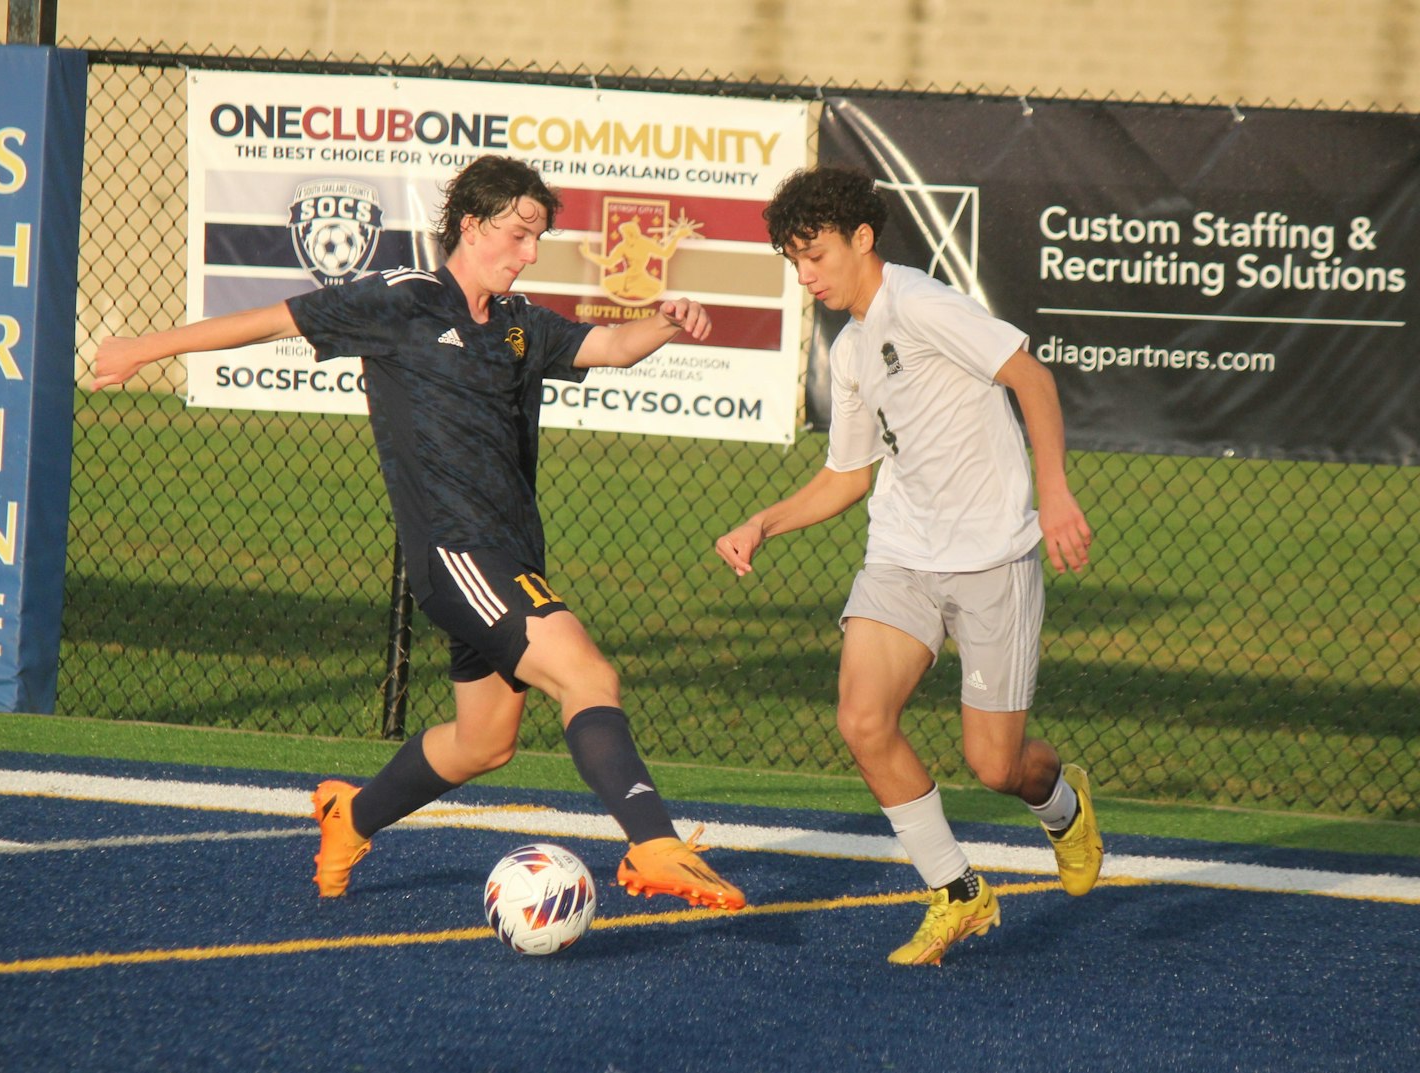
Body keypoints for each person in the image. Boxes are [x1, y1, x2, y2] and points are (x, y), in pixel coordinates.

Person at [93, 154, 745, 912]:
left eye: (539, 238)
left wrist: (666, 321)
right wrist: (143, 348)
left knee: (485, 742)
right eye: (519, 233)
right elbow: (274, 319)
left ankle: (351, 815)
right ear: (471, 226)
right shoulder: (404, 301)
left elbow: (609, 345)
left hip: (509, 554)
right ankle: (653, 843)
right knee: (588, 676)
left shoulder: (516, 324)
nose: (530, 252)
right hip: (457, 553)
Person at [714, 166, 1101, 964]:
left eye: (815, 254)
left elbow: (1031, 375)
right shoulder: (852, 348)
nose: (807, 275)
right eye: (794, 261)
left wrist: (1056, 493)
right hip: (902, 552)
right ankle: (957, 891)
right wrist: (765, 521)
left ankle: (1062, 803)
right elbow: (850, 477)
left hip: (993, 556)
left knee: (996, 765)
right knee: (862, 719)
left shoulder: (922, 303)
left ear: (863, 238)